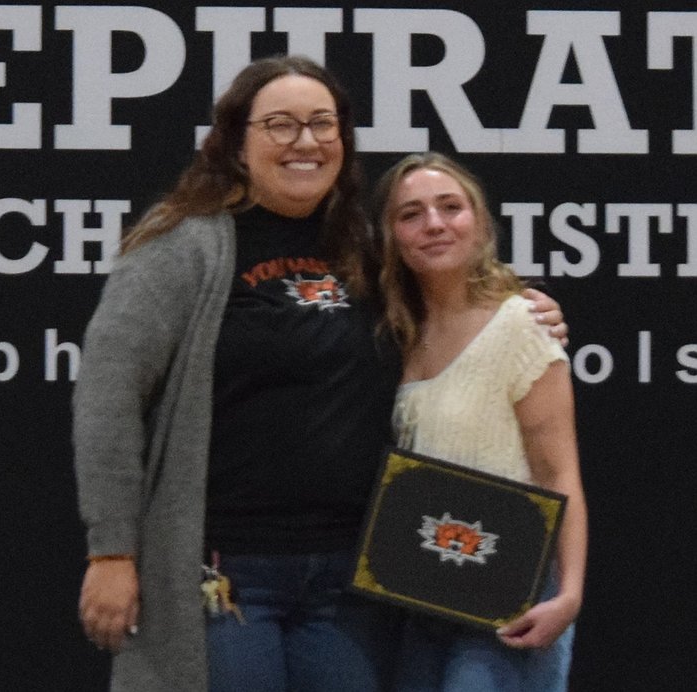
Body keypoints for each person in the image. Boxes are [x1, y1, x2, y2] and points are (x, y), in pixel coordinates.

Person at [73, 56, 568, 692]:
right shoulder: (180, 247)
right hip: (227, 571)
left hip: (352, 579)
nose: (305, 141)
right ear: (236, 141)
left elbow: (453, 310)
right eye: (280, 124)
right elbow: (107, 403)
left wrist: (525, 312)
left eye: (322, 123)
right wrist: (112, 550)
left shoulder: (366, 246)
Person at [373, 152, 587, 692]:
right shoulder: (393, 333)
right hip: (419, 596)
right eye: (411, 214)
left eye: (451, 207)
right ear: (391, 236)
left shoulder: (522, 324)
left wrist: (568, 596)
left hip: (510, 594)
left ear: (480, 222)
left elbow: (558, 472)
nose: (434, 224)